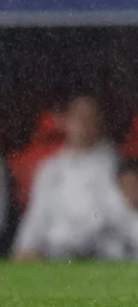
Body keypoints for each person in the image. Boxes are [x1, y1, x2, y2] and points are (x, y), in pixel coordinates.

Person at [11, 96, 119, 260]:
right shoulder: (50, 167)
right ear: (66, 122)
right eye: (78, 117)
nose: (83, 124)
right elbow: (37, 214)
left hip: (97, 255)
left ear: (99, 123)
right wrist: (24, 247)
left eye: (89, 118)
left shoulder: (114, 166)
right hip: (52, 255)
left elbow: (109, 218)